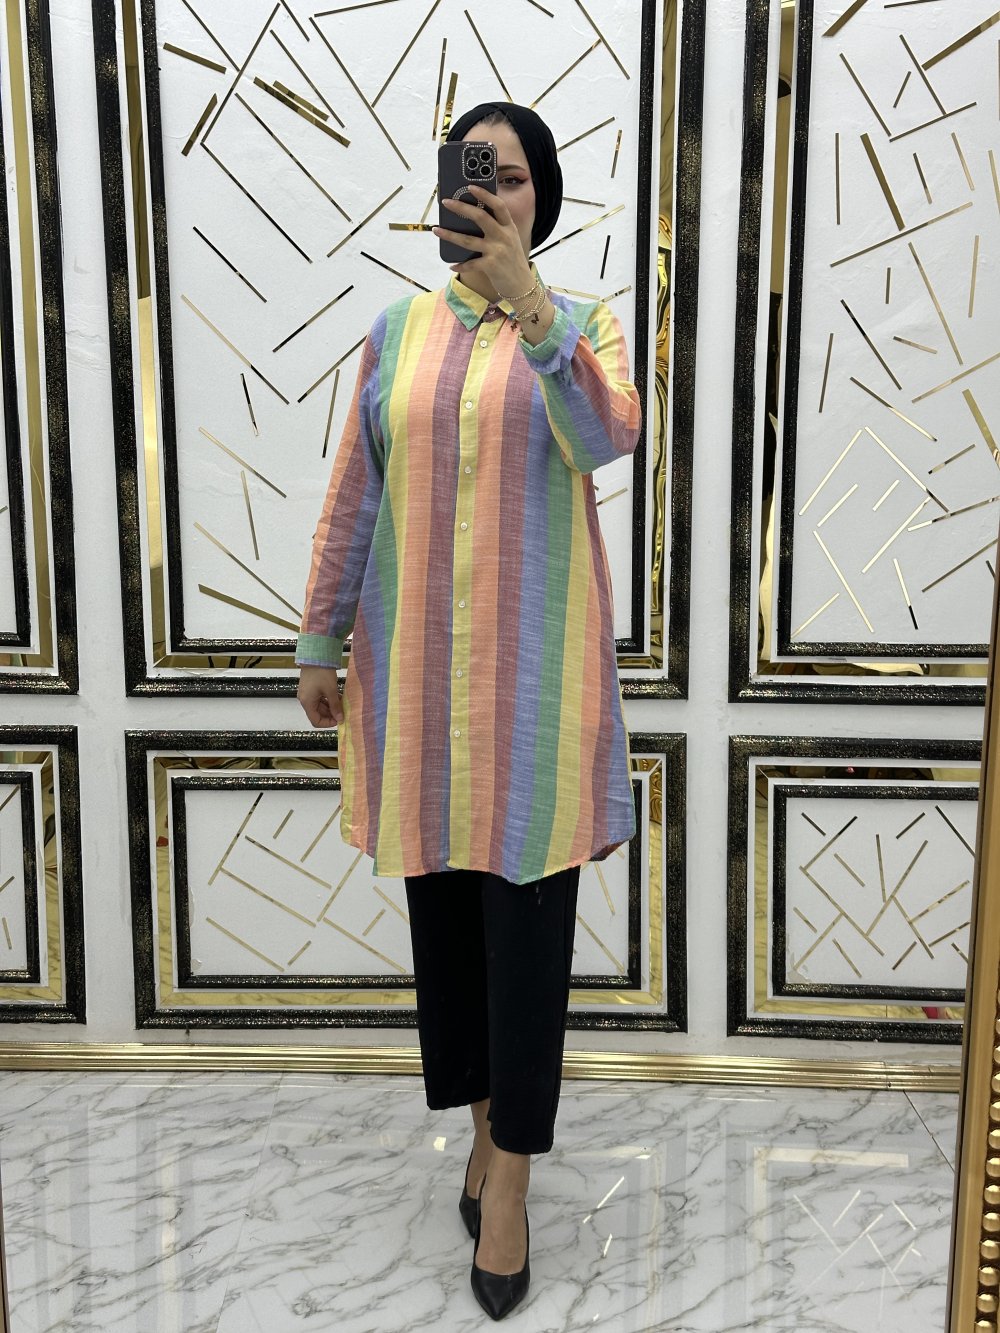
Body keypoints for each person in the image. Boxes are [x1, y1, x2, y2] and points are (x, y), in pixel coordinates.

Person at [296, 101, 642, 1320]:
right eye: (472, 170)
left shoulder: (584, 326)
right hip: (416, 688)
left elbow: (606, 438)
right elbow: (354, 492)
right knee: (449, 931)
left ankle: (511, 1187)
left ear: (539, 197)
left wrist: (530, 303)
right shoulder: (395, 332)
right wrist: (319, 637)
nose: (491, 190)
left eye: (513, 174)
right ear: (444, 191)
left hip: (534, 695)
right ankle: (486, 1132)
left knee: (527, 938)